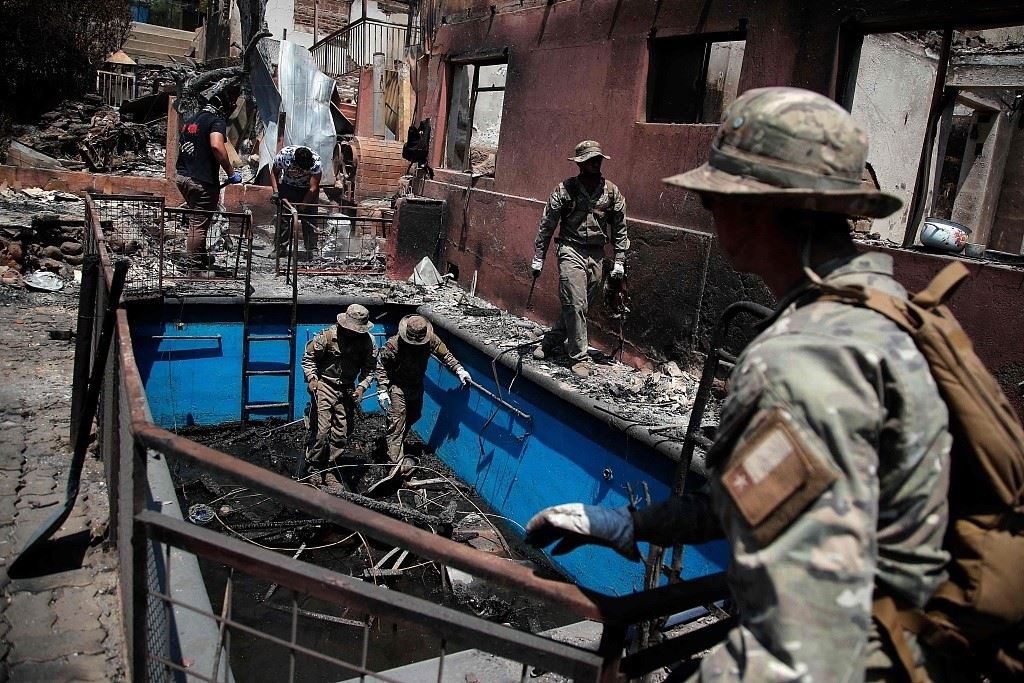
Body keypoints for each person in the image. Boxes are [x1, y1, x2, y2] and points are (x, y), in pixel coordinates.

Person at [525, 88, 954, 681]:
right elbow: (769, 494)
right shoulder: (890, 310)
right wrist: (630, 524)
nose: (710, 211)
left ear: (760, 209)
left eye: (716, 198)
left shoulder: (800, 358)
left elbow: (808, 625)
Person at [531, 140, 629, 378]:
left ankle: (550, 341)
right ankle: (579, 358)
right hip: (570, 250)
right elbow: (547, 224)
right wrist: (538, 256)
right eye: (590, 160)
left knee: (580, 306)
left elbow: (620, 227)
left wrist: (619, 260)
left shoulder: (611, 192)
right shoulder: (565, 190)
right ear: (580, 164)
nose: (595, 164)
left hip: (596, 254)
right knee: (575, 303)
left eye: (598, 160)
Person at [376, 315, 471, 469]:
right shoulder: (394, 344)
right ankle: (394, 463)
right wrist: (382, 389)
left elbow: (445, 354)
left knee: (414, 415)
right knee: (397, 422)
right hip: (398, 386)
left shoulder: (430, 339)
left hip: (416, 385)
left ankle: (395, 443)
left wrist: (459, 369)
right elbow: (382, 365)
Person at [300, 304, 377, 489]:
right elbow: (309, 359)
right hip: (324, 385)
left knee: (341, 433)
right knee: (321, 432)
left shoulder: (368, 342)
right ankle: (314, 468)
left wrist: (361, 388)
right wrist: (312, 379)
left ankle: (331, 469)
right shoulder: (326, 336)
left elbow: (370, 369)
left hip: (347, 389)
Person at [174, 93, 242, 271]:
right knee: (198, 223)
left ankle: (200, 257)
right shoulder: (216, 121)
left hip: (182, 177)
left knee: (198, 221)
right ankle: (194, 267)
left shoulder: (192, 120)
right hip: (201, 181)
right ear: (223, 108)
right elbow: (216, 146)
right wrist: (231, 173)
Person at [270, 145, 323, 257]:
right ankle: (280, 249)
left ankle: (311, 250)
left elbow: (313, 188)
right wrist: (276, 192)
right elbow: (274, 173)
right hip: (288, 187)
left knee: (309, 219)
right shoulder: (283, 156)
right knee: (283, 220)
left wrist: (302, 207)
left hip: (307, 189)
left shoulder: (316, 162)